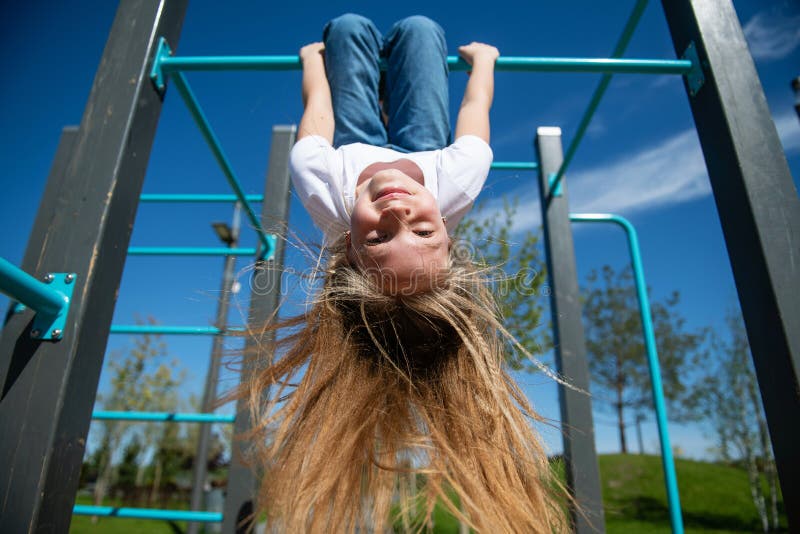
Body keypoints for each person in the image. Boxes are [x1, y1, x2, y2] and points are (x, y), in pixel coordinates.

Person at [236, 14, 569, 533]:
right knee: (419, 31)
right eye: (423, 235)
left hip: (353, 140)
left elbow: (317, 115)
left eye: (378, 238)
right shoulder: (454, 183)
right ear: (449, 235)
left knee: (346, 29)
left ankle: (358, 60)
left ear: (346, 246)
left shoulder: (325, 193)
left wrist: (310, 63)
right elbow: (475, 111)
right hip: (425, 142)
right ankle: (406, 72)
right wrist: (485, 62)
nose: (399, 215)